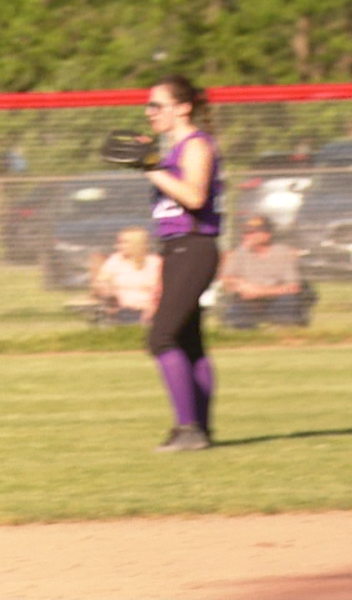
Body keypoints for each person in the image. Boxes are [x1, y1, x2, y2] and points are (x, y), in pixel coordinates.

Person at [142, 74, 223, 452]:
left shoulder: (196, 145)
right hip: (177, 249)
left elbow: (193, 196)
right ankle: (199, 431)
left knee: (161, 337)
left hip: (195, 247)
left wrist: (152, 167)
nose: (149, 112)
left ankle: (188, 428)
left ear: (183, 107)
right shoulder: (172, 148)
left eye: (157, 105)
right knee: (189, 342)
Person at [221, 215, 313, 328]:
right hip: (248, 302)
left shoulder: (282, 253)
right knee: (235, 315)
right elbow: (227, 280)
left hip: (276, 300)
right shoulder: (240, 253)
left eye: (254, 232)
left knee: (289, 302)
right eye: (246, 232)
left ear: (268, 234)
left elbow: (294, 286)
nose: (248, 236)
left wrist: (258, 291)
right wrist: (241, 285)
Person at [90, 226, 162, 325]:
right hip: (122, 309)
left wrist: (152, 307)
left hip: (151, 309)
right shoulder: (115, 261)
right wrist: (106, 290)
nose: (117, 246)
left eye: (123, 242)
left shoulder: (154, 262)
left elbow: (162, 290)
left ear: (136, 244)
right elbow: (101, 282)